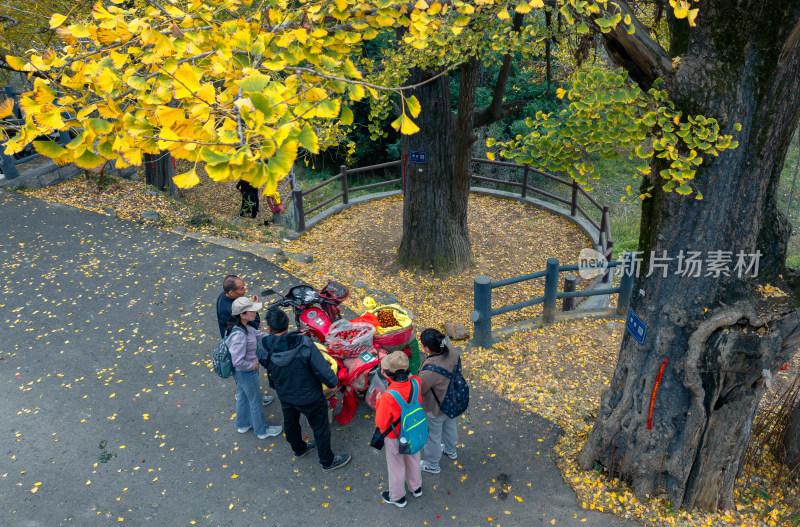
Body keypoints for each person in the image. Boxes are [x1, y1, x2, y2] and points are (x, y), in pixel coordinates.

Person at [257, 307, 351, 472]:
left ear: (269, 328)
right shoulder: (305, 344)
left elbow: (265, 362)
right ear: (288, 323)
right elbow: (322, 370)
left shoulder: (264, 345)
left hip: (285, 394)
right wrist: (332, 383)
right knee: (320, 428)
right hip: (311, 397)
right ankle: (327, 461)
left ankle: (298, 449)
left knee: (291, 424)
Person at [226, 297, 283, 440]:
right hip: (246, 373)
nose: (256, 313)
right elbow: (237, 361)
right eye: (252, 311)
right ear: (242, 315)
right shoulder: (239, 335)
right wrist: (252, 365)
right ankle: (261, 430)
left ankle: (243, 424)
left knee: (243, 397)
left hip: (242, 374)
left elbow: (259, 335)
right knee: (255, 401)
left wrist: (279, 336)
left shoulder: (244, 327)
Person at [375, 351, 423, 508]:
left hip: (396, 436)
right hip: (414, 430)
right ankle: (416, 488)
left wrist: (378, 403)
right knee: (414, 459)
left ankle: (398, 497)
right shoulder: (416, 382)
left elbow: (381, 423)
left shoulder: (387, 396)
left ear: (387, 375)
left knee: (396, 466)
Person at [216, 274, 273, 406]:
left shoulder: (223, 297)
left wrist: (249, 305)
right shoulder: (231, 311)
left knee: (242, 380)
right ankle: (253, 399)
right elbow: (253, 325)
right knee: (246, 376)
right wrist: (254, 308)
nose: (244, 291)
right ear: (231, 292)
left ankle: (244, 396)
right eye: (241, 289)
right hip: (243, 344)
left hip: (232, 340)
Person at [418, 329, 460, 474]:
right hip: (452, 401)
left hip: (435, 408)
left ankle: (433, 464)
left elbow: (420, 388)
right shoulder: (452, 353)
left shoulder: (430, 368)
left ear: (427, 349)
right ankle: (451, 449)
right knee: (450, 426)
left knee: (433, 436)